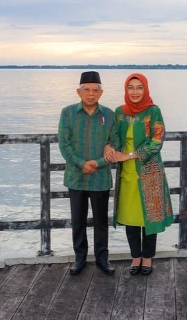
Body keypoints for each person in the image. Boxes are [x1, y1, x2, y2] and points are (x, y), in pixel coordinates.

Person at [105, 73, 173, 275]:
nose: (135, 92)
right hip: (126, 173)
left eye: (139, 87)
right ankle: (136, 256)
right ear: (126, 90)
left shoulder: (153, 111)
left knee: (149, 218)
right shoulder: (120, 112)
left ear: (146, 89)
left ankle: (148, 257)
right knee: (131, 217)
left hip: (149, 171)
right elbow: (115, 137)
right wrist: (110, 147)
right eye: (131, 88)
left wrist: (133, 155)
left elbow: (157, 139)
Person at [58, 71, 116, 276]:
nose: (90, 94)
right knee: (78, 220)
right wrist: (81, 163)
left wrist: (97, 163)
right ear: (78, 91)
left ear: (101, 93)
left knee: (101, 221)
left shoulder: (109, 115)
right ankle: (80, 259)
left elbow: (115, 144)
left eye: (95, 90)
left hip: (100, 177)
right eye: (86, 90)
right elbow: (64, 144)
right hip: (76, 175)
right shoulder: (67, 113)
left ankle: (102, 259)